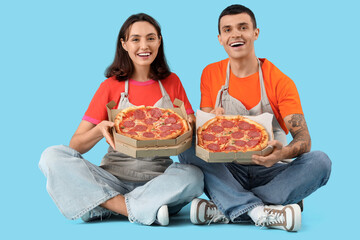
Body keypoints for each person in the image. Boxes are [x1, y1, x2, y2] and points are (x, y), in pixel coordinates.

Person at [39, 13, 204, 226]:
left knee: (194, 176)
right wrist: (99, 130)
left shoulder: (172, 82)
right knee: (51, 156)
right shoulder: (110, 86)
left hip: (158, 181)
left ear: (159, 41)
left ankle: (103, 205)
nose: (144, 45)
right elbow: (75, 145)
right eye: (135, 39)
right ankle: (139, 208)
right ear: (124, 44)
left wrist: (196, 122)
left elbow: (189, 125)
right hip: (111, 179)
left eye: (151, 38)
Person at [179, 4, 331, 232]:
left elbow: (304, 139)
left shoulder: (280, 81)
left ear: (255, 33)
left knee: (321, 162)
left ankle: (227, 207)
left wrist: (282, 154)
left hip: (271, 171)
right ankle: (264, 210)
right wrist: (210, 118)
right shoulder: (211, 73)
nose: (236, 34)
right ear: (220, 38)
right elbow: (205, 138)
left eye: (243, 27)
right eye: (228, 30)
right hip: (228, 169)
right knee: (187, 143)